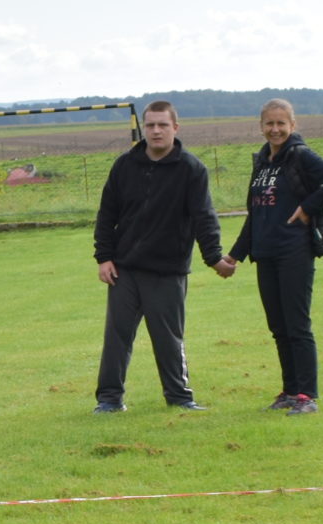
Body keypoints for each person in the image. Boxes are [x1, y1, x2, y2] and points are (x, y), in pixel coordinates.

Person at [92, 101, 226, 414]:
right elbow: (106, 214)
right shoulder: (124, 166)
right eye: (150, 125)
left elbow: (204, 217)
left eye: (162, 125)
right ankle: (109, 399)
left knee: (169, 340)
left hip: (167, 272)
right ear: (144, 129)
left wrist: (215, 258)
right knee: (116, 339)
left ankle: (179, 398)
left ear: (175, 128)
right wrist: (104, 257)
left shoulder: (191, 169)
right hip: (124, 271)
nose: (155, 131)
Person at [220, 99, 323, 415]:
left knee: (297, 325)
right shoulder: (263, 162)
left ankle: (307, 395)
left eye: (281, 123)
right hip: (265, 254)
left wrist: (308, 206)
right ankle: (290, 391)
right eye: (269, 124)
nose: (275, 129)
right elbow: (255, 216)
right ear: (261, 126)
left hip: (294, 251)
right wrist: (234, 256)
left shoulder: (301, 155)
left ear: (292, 125)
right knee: (278, 327)